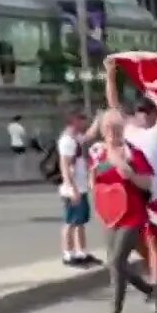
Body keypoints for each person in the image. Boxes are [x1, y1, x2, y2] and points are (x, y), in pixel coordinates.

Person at [104, 55, 157, 313]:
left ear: (155, 114)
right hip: (136, 191)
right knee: (137, 242)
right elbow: (113, 105)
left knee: (153, 241)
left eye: (147, 111)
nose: (142, 115)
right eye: (138, 111)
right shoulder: (131, 130)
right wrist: (111, 75)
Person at [89, 108, 156, 313]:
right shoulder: (97, 152)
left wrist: (129, 172)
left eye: (116, 128)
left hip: (133, 215)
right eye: (107, 128)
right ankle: (148, 289)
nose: (112, 132)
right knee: (114, 264)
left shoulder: (133, 152)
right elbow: (95, 183)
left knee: (117, 262)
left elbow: (147, 184)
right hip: (110, 216)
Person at [56, 110, 99, 268]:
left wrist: (98, 119)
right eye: (82, 118)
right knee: (70, 222)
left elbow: (89, 136)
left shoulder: (76, 138)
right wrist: (72, 188)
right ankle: (68, 254)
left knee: (80, 221)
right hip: (72, 189)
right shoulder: (67, 140)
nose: (84, 121)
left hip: (80, 187)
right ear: (74, 120)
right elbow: (65, 166)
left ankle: (81, 252)